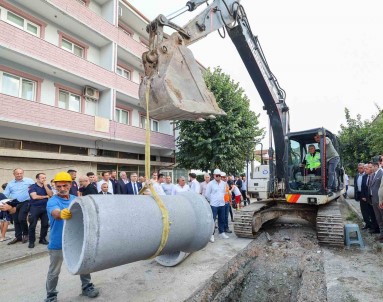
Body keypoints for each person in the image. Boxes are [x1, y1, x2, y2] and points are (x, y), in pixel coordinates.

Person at [45, 171, 99, 302]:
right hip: (58, 243)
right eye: (58, 186)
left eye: (65, 185)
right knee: (54, 271)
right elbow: (55, 213)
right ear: (55, 186)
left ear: (70, 184)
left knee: (83, 263)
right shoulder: (52, 201)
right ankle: (51, 295)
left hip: (77, 240)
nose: (62, 189)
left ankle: (87, 286)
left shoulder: (76, 199)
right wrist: (61, 214)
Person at [3, 168, 34, 245]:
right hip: (14, 203)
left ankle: (26, 234)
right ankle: (18, 236)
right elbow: (5, 194)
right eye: (17, 173)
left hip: (26, 202)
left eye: (21, 173)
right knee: (16, 220)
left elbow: (35, 189)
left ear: (23, 173)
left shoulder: (29, 181)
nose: (19, 175)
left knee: (21, 218)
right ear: (14, 174)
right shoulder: (10, 184)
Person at [28, 173, 53, 248]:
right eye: (42, 178)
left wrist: (45, 186)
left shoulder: (47, 186)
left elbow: (51, 195)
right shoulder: (32, 187)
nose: (44, 179)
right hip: (35, 208)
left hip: (45, 207)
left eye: (45, 178)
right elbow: (34, 197)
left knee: (45, 224)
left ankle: (42, 239)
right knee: (32, 225)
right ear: (37, 179)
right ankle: (31, 241)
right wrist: (45, 196)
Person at [205, 169, 229, 242]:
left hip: (222, 204)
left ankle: (221, 232)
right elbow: (207, 194)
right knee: (213, 220)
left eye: (219, 175)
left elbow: (224, 193)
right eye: (217, 175)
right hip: (214, 205)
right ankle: (211, 234)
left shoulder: (223, 183)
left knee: (222, 219)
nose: (218, 177)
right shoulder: (210, 184)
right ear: (214, 176)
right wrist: (212, 200)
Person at [361, 163, 379, 233]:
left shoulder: (374, 176)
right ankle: (373, 227)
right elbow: (364, 187)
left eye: (367, 168)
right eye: (365, 168)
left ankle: (376, 229)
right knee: (371, 214)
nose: (365, 170)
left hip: (375, 198)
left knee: (376, 214)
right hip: (368, 198)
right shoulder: (365, 176)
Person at [368, 162, 383, 242]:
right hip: (374, 199)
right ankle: (381, 234)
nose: (371, 169)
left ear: (376, 166)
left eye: (372, 167)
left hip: (380, 200)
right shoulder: (373, 175)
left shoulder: (381, 173)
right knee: (378, 218)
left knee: (382, 217)